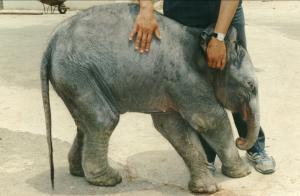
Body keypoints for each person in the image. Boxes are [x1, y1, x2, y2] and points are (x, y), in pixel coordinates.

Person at [129, 0, 275, 174]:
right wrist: (145, 9)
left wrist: (219, 37)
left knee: (236, 81)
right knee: (193, 87)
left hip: (224, 9)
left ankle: (253, 144)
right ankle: (206, 154)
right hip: (180, 13)